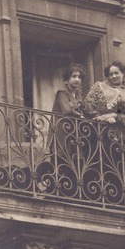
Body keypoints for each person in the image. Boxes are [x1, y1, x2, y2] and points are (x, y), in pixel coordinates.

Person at [83, 61, 125, 201]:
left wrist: (116, 116)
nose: (113, 76)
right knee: (95, 162)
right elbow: (87, 106)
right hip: (96, 132)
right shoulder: (99, 87)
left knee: (116, 164)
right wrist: (101, 117)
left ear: (123, 74)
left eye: (116, 73)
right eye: (111, 74)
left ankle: (115, 197)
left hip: (118, 135)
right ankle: (92, 193)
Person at [46, 64, 91, 197]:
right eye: (74, 76)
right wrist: (79, 111)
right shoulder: (62, 92)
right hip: (61, 132)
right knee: (60, 159)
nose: (77, 80)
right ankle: (56, 191)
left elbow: (81, 109)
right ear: (67, 79)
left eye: (79, 77)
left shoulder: (78, 93)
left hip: (72, 133)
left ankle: (71, 191)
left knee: (73, 161)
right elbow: (67, 110)